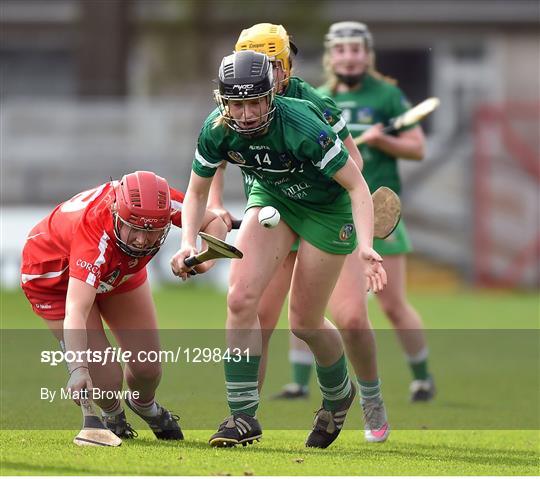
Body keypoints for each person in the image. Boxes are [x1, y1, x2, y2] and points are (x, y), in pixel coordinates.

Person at [171, 50, 387, 449]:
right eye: (238, 103)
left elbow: (356, 185)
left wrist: (367, 246)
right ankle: (241, 417)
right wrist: (187, 243)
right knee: (240, 300)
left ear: (271, 96)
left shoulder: (303, 123)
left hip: (326, 209)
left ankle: (339, 395)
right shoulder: (217, 129)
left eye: (255, 102)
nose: (248, 113)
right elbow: (196, 192)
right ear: (224, 101)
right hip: (275, 199)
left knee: (304, 322)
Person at [21, 171, 227, 440]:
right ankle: (113, 414)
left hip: (117, 267)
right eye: (135, 228)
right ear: (117, 213)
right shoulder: (94, 235)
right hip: (53, 279)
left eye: (152, 232)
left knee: (148, 369)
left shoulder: (160, 206)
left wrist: (200, 258)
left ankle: (145, 406)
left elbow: (214, 222)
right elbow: (76, 311)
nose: (142, 240)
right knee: (106, 382)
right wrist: (79, 370)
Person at [315, 21, 435, 401]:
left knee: (393, 304)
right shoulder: (316, 98)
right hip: (332, 213)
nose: (349, 56)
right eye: (342, 49)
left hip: (380, 212)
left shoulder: (387, 96)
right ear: (331, 56)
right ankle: (298, 382)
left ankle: (422, 377)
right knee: (314, 302)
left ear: (367, 55)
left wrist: (384, 140)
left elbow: (418, 148)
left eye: (356, 49)